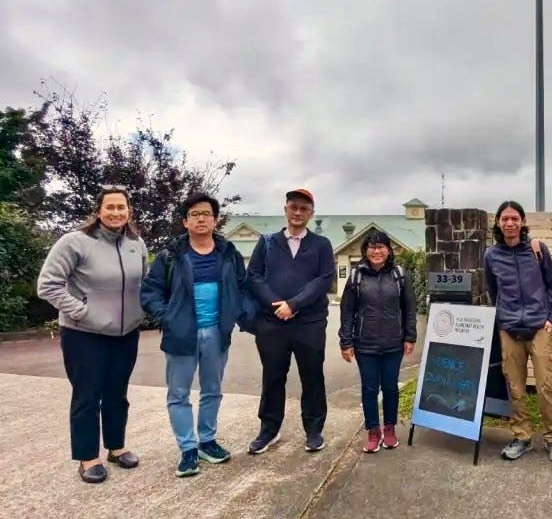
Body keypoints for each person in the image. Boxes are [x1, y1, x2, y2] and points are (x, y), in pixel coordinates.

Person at [37, 185, 148, 483]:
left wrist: (144, 312)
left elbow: (144, 284)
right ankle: (88, 457)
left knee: (117, 393)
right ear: (98, 211)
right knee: (87, 395)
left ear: (129, 211)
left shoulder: (136, 243)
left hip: (126, 332)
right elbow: (48, 284)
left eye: (121, 207)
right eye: (109, 207)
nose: (115, 212)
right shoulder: (75, 242)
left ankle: (116, 446)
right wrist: (82, 311)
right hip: (83, 333)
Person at [141, 193, 246, 477]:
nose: (201, 218)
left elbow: (241, 287)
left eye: (207, 214)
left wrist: (238, 317)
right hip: (181, 334)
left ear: (215, 220)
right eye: (195, 214)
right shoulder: (171, 255)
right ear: (185, 221)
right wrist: (167, 318)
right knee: (178, 393)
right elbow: (150, 291)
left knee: (213, 390)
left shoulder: (228, 253)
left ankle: (207, 442)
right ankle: (188, 449)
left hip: (217, 333)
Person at [245, 188, 336, 454]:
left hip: (310, 323)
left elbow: (324, 280)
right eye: (293, 207)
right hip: (272, 323)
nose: (298, 213)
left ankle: (314, 429)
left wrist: (294, 305)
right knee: (273, 376)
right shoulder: (268, 242)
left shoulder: (321, 245)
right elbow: (254, 277)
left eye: (304, 209)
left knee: (312, 377)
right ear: (285, 210)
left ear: (311, 214)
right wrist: (278, 306)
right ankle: (269, 430)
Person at [484, 200, 552, 462]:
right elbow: (493, 290)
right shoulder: (491, 255)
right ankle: (522, 436)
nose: (509, 223)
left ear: (522, 222)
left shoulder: (537, 249)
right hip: (509, 329)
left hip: (539, 326)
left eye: (514, 218)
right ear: (498, 222)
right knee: (515, 387)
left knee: (546, 386)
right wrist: (502, 319)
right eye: (505, 219)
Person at [339, 229, 417, 452]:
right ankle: (373, 431)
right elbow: (347, 312)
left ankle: (390, 428)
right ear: (365, 250)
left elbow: (409, 308)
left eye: (381, 246)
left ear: (388, 250)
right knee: (369, 388)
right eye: (372, 247)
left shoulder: (399, 275)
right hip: (365, 344)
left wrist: (410, 336)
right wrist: (346, 342)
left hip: (394, 343)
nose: (376, 251)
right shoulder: (356, 276)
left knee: (391, 387)